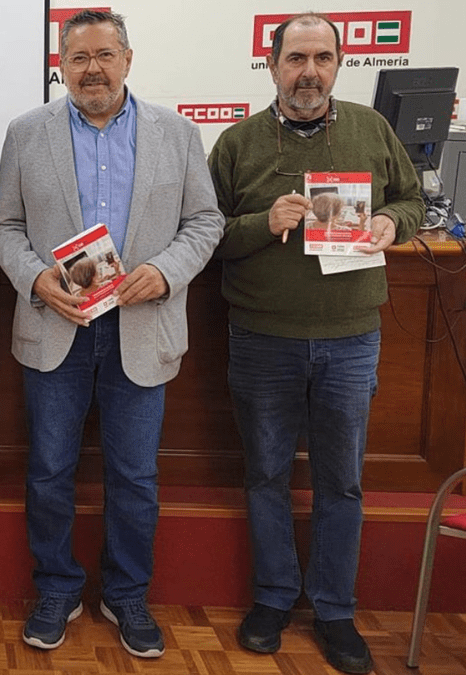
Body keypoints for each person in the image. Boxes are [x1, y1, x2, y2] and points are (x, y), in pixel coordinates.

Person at [0, 9, 223, 658]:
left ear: (128, 58)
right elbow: (3, 227)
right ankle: (57, 589)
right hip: (56, 327)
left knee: (135, 476)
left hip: (141, 330)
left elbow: (205, 223)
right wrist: (37, 280)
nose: (92, 68)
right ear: (61, 65)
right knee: (49, 471)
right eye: (79, 58)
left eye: (104, 55)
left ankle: (126, 596)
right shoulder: (26, 132)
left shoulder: (175, 132)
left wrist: (164, 271)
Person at [206, 13, 424, 674]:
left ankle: (334, 609)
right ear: (271, 66)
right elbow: (206, 231)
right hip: (261, 337)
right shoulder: (238, 143)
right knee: (266, 474)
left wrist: (390, 218)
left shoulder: (373, 129)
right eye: (296, 57)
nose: (309, 71)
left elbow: (413, 200)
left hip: (350, 339)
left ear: (338, 64)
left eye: (322, 58)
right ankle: (273, 598)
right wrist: (256, 223)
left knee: (342, 482)